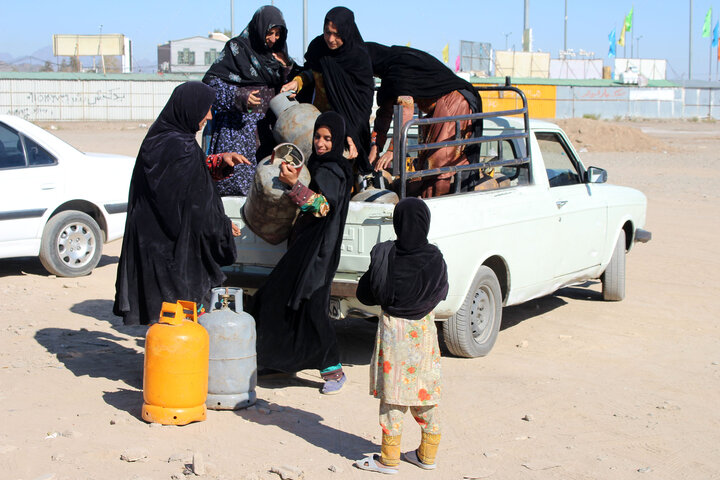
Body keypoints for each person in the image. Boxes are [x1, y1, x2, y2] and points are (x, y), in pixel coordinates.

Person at [113, 81, 248, 326]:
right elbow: (195, 204)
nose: (208, 115)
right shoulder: (178, 147)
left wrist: (220, 162)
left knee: (167, 318)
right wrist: (221, 227)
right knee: (180, 317)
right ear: (189, 107)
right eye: (205, 108)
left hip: (157, 243)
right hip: (173, 249)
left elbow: (190, 181)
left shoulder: (164, 139)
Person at [251, 111, 353, 394]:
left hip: (318, 251)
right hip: (306, 246)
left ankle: (334, 371)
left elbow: (322, 207)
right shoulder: (324, 164)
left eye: (327, 138)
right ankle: (276, 361)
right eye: (318, 137)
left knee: (312, 308)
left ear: (338, 140)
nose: (320, 143)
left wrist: (293, 186)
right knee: (275, 298)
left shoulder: (331, 169)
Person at [353, 197, 449, 474]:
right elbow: (441, 292)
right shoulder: (435, 258)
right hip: (423, 332)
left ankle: (389, 459)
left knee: (393, 396)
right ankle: (427, 455)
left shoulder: (385, 254)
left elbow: (365, 293)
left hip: (393, 332)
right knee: (425, 393)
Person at [365, 42, 483, 198]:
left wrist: (392, 150)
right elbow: (385, 112)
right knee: (426, 166)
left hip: (453, 102)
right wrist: (375, 146)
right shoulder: (389, 73)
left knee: (439, 165)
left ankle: (435, 208)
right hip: (439, 108)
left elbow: (405, 112)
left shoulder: (398, 68)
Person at [202, 5, 294, 196]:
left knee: (270, 191)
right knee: (237, 191)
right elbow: (210, 86)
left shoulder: (279, 55)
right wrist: (239, 97)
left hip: (269, 135)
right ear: (259, 28)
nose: (273, 39)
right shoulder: (237, 49)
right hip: (238, 133)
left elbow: (294, 86)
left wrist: (287, 69)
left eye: (278, 34)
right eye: (269, 33)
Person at [281, 6, 374, 176]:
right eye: (327, 32)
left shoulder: (358, 57)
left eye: (337, 34)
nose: (331, 39)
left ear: (346, 32)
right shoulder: (318, 47)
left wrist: (351, 133)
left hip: (347, 124)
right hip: (318, 121)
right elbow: (311, 71)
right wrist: (298, 82)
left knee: (343, 174)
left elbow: (363, 100)